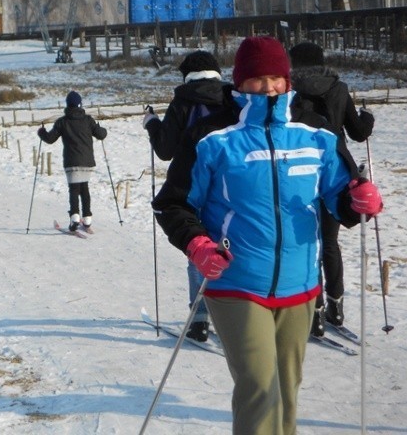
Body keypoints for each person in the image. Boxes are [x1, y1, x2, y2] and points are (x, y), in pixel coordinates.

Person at [152, 36, 383, 434]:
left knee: (287, 392)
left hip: (301, 284)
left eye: (277, 77)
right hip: (236, 282)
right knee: (260, 388)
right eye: (258, 79)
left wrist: (358, 199)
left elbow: (339, 195)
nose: (269, 87)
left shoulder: (315, 131)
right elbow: (172, 204)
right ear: (239, 83)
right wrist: (197, 243)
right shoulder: (211, 137)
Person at [289, 41, 375, 336]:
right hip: (336, 168)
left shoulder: (291, 91)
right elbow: (358, 132)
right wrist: (367, 119)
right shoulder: (338, 88)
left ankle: (314, 312)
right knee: (330, 242)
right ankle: (336, 305)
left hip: (301, 170)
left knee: (308, 244)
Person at [143, 50, 226, 343]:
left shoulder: (183, 100)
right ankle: (235, 310)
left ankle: (200, 319)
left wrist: (151, 123)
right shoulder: (231, 97)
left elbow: (165, 150)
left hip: (189, 182)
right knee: (229, 239)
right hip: (228, 180)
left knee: (198, 245)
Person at [38, 91, 107, 232]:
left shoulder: (62, 122)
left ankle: (75, 217)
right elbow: (101, 135)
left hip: (71, 161)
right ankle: (87, 219)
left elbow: (50, 139)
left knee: (74, 189)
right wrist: (101, 128)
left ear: (68, 105)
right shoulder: (88, 120)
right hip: (87, 161)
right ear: (80, 104)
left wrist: (42, 133)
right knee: (84, 188)